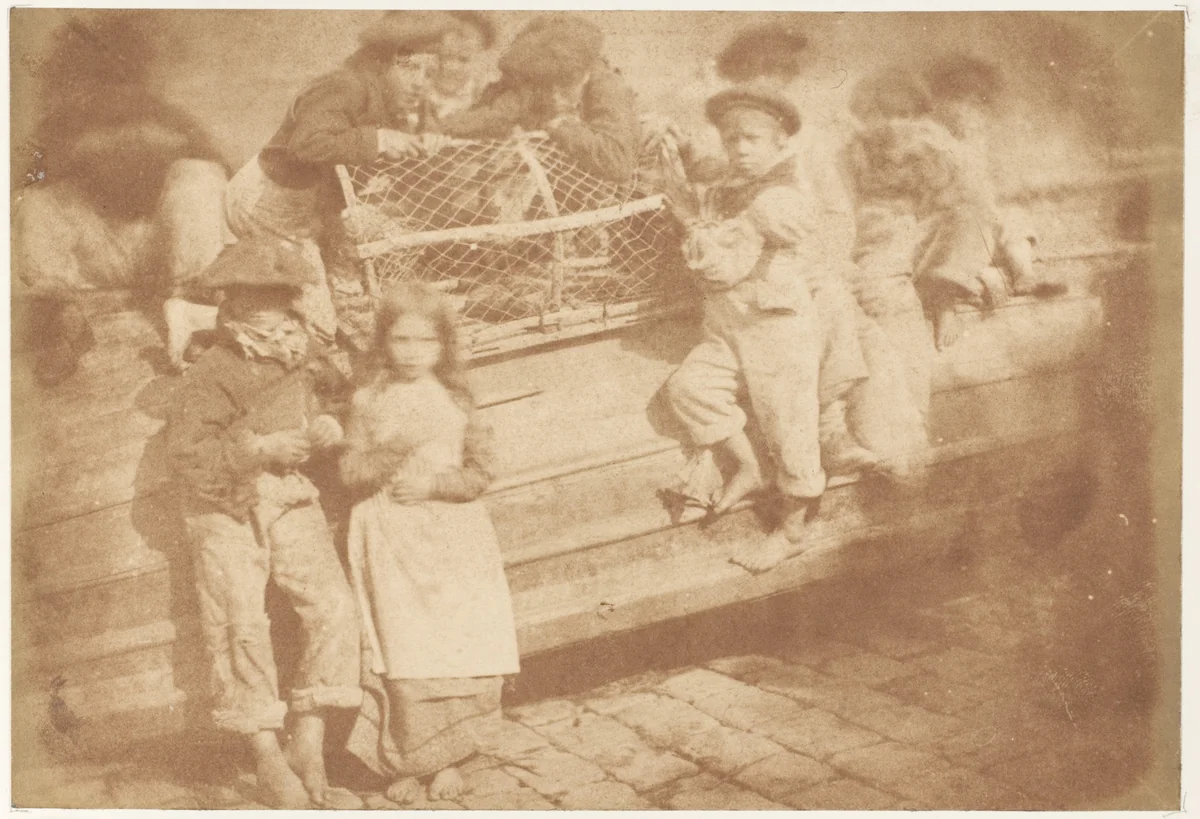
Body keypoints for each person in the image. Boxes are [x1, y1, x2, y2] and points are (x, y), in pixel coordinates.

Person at [165, 236, 362, 810]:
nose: (270, 310)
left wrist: (326, 426)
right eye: (255, 299)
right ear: (232, 305)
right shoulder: (213, 369)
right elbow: (190, 455)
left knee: (334, 606)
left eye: (279, 297)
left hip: (288, 492)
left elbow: (325, 404)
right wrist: (258, 447)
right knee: (240, 623)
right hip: (225, 501)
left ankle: (309, 737)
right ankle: (265, 755)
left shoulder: (299, 354)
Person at [663, 85, 860, 574]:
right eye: (731, 140)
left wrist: (693, 221)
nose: (741, 150)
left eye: (752, 140)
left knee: (790, 428)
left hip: (776, 329)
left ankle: (793, 530)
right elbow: (710, 184)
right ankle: (750, 466)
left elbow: (723, 268)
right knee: (690, 389)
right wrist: (683, 163)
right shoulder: (733, 186)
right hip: (728, 328)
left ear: (779, 146)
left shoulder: (779, 198)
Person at [341, 283, 520, 804]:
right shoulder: (367, 399)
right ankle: (406, 759)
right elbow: (351, 471)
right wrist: (389, 454)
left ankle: (453, 757)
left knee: (455, 642)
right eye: (400, 339)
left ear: (443, 346)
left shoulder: (457, 398)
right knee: (404, 647)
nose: (412, 352)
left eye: (425, 341)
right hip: (389, 537)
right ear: (383, 342)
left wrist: (433, 485)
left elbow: (481, 472)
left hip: (453, 538)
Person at [223, 11, 463, 343]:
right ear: (380, 63)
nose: (421, 82)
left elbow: (418, 140)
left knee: (361, 273)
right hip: (270, 201)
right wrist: (379, 140)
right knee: (318, 326)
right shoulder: (344, 85)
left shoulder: (406, 101)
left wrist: (431, 142)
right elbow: (305, 145)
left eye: (429, 71)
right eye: (409, 67)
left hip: (320, 206)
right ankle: (200, 316)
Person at [912, 52, 1065, 350]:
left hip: (974, 230)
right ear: (939, 101)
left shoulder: (971, 142)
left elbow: (984, 191)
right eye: (962, 102)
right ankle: (945, 306)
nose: (971, 112)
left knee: (1012, 215)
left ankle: (1024, 274)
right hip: (934, 234)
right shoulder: (929, 139)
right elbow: (937, 193)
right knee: (973, 219)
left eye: (977, 104)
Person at [439, 14, 640, 186]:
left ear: (583, 73)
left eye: (565, 85)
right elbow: (496, 115)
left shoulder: (608, 86)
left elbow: (619, 163)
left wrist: (561, 126)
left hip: (608, 188)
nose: (554, 96)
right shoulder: (538, 77)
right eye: (550, 86)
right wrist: (435, 127)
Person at [420, 11, 497, 122]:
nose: (451, 66)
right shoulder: (423, 74)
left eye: (463, 59)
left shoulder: (478, 88)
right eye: (445, 56)